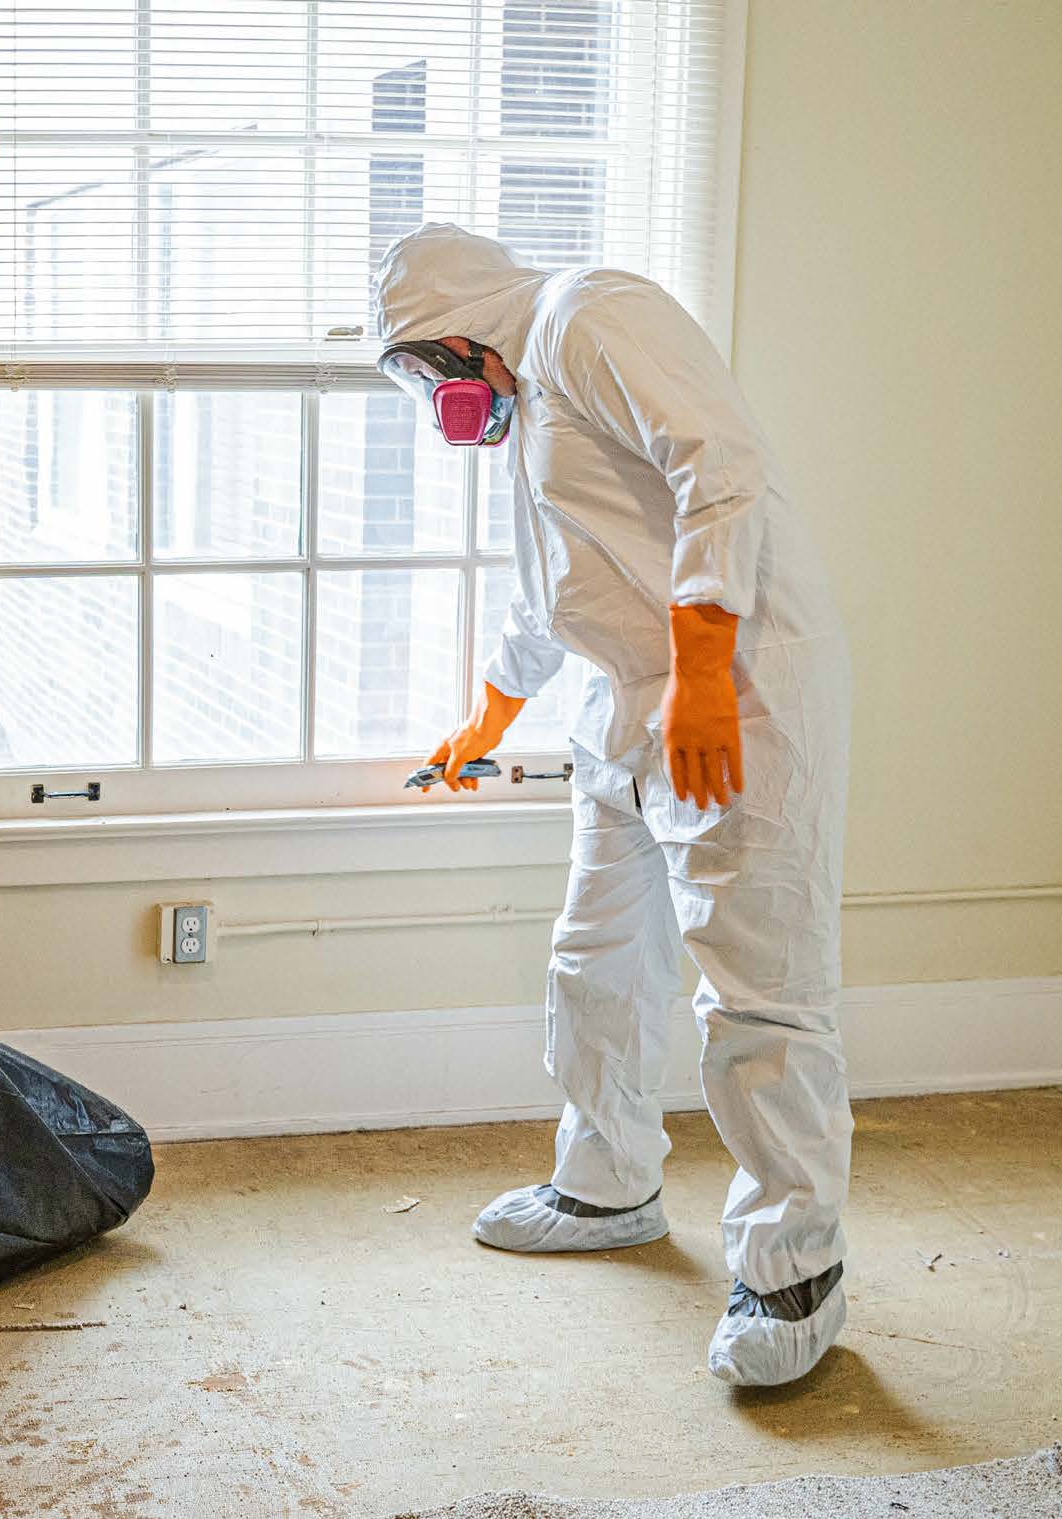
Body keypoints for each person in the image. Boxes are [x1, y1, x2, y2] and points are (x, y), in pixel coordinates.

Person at [375, 224, 852, 1387]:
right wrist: (491, 714)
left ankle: (796, 1268)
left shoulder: (589, 316)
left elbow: (718, 464)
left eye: (427, 369)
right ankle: (606, 1184)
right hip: (627, 695)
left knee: (758, 988)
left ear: (462, 330)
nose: (437, 399)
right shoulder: (532, 395)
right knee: (596, 958)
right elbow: (554, 584)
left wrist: (704, 672)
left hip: (737, 687)